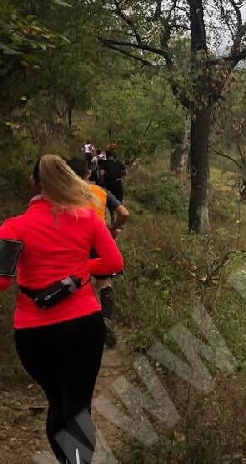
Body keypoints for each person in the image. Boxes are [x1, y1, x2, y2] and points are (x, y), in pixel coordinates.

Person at [0, 154, 124, 464]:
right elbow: (114, 262)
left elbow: (2, 281)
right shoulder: (89, 218)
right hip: (83, 326)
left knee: (57, 400)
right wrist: (80, 267)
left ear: (33, 182)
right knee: (78, 406)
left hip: (33, 333)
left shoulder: (13, 227)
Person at [67, 157, 130, 349]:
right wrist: (113, 229)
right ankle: (106, 320)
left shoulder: (64, 194)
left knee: (75, 283)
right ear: (88, 173)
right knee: (104, 283)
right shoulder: (100, 191)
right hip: (99, 240)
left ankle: (78, 327)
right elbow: (124, 213)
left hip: (74, 242)